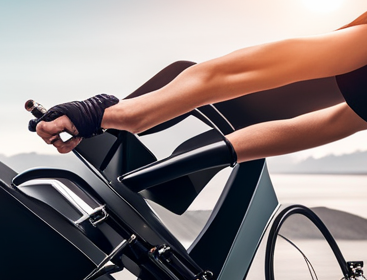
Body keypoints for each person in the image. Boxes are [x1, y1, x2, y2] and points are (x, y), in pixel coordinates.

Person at [33, 13, 367, 173]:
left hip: (296, 100)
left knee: (222, 130)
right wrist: (108, 114)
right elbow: (241, 72)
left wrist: (223, 154)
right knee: (230, 102)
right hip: (300, 81)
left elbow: (336, 124)